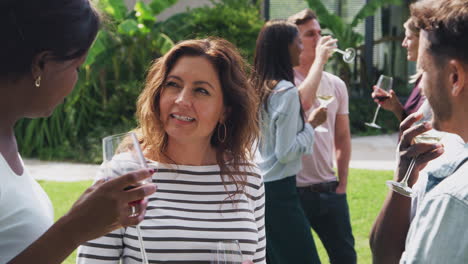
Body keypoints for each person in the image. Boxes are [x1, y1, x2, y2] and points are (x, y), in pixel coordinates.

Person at [77, 38, 265, 264]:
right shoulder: (122, 174)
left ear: (225, 110)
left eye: (201, 91)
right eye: (173, 84)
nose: (182, 99)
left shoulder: (248, 177)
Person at [0, 1, 156, 264]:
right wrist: (73, 230)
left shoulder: (7, 140)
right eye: (77, 67)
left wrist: (82, 218)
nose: (78, 79)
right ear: (42, 64)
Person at [370, 0, 468, 263]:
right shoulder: (446, 158)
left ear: (454, 78)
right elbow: (384, 252)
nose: (421, 86)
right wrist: (403, 178)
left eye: (424, 70)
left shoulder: (453, 199)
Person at [252, 19, 327, 264]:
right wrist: (312, 125)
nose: (302, 48)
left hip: (259, 189)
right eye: (297, 43)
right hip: (280, 192)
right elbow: (285, 153)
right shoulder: (286, 92)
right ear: (284, 48)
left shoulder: (257, 89)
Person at [288, 9, 356, 264]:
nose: (319, 38)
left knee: (346, 257)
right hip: (293, 192)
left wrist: (343, 184)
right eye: (309, 35)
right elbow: (301, 101)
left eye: (319, 32)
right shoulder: (283, 82)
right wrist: (319, 61)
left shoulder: (336, 84)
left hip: (329, 189)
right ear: (295, 43)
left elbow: (343, 138)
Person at [371, 17, 427, 122]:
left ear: (424, 41)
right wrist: (395, 107)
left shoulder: (436, 82)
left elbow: (423, 129)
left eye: (409, 38)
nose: (403, 44)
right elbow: (411, 125)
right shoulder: (421, 77)